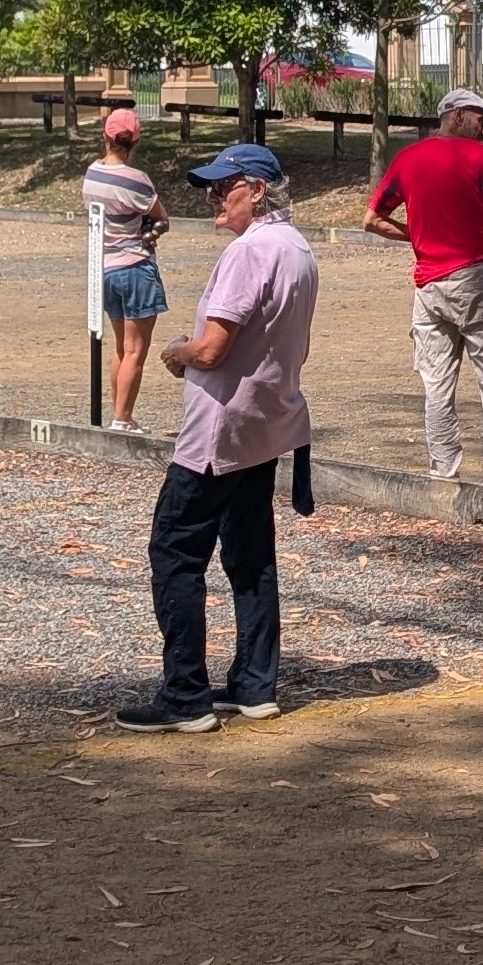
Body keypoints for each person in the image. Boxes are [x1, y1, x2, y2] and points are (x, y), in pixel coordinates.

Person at [118, 141, 320, 733]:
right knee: (251, 557)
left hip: (219, 429)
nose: (211, 198)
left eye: (222, 187)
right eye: (208, 187)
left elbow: (211, 347)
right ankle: (255, 684)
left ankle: (185, 696)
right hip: (266, 423)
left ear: (257, 190)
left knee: (175, 553)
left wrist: (179, 353)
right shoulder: (298, 247)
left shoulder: (249, 251)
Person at [365, 86, 483, 485]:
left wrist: (416, 235)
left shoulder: (406, 158)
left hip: (429, 283)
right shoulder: (480, 157)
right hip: (475, 276)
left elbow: (372, 220)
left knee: (436, 385)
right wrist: (475, 224)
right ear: (456, 115)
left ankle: (442, 472)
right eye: (479, 119)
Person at [83, 106, 170, 432]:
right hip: (135, 266)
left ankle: (119, 414)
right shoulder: (137, 180)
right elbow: (162, 218)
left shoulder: (91, 175)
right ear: (135, 140)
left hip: (104, 268)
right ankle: (123, 419)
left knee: (121, 347)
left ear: (105, 136)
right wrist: (151, 233)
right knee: (136, 349)